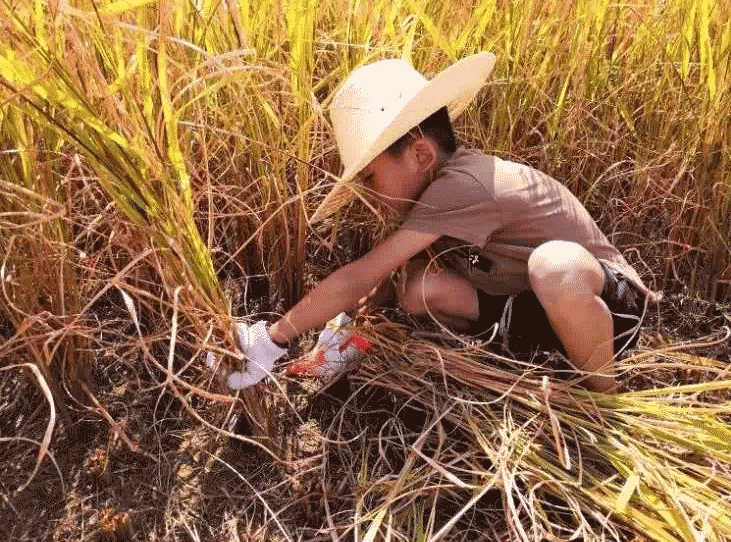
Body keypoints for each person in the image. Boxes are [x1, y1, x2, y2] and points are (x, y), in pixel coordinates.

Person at [212, 52, 656, 393]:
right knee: (417, 288)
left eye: (370, 177)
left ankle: (605, 397)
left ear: (421, 155)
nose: (368, 192)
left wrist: (271, 339)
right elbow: (380, 285)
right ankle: (545, 363)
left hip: (612, 313)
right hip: (536, 313)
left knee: (554, 265)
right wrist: (350, 336)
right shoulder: (430, 199)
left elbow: (360, 274)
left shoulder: (466, 186)